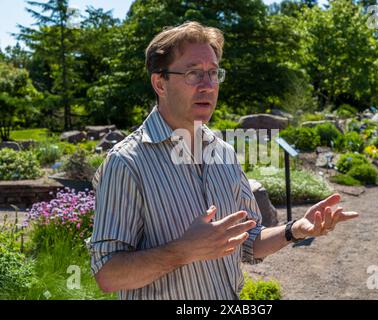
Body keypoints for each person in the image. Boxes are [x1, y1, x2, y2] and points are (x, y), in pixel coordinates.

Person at [89, 21, 359, 300]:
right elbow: (107, 273)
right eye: (194, 74)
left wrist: (296, 229)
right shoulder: (126, 162)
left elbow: (249, 241)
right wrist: (184, 250)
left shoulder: (224, 152)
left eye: (213, 74)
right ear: (160, 83)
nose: (208, 86)